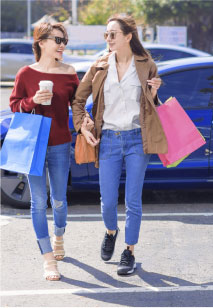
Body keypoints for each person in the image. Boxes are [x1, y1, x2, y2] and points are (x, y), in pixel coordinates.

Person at [71, 14, 166, 275]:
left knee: (133, 200)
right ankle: (111, 231)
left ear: (128, 36)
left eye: (113, 34)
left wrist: (154, 95)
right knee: (108, 200)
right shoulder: (99, 65)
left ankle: (129, 251)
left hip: (138, 138)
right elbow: (78, 101)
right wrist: (83, 126)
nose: (108, 39)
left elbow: (152, 107)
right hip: (109, 139)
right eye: (106, 34)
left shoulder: (146, 65)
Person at [9, 23, 79, 281]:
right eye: (58, 39)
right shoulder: (25, 74)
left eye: (65, 41)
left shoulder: (70, 73)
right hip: (33, 144)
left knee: (59, 200)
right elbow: (15, 106)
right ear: (41, 42)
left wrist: (88, 122)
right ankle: (48, 259)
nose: (62, 44)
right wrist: (32, 101)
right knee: (38, 202)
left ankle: (58, 234)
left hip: (61, 144)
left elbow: (78, 106)